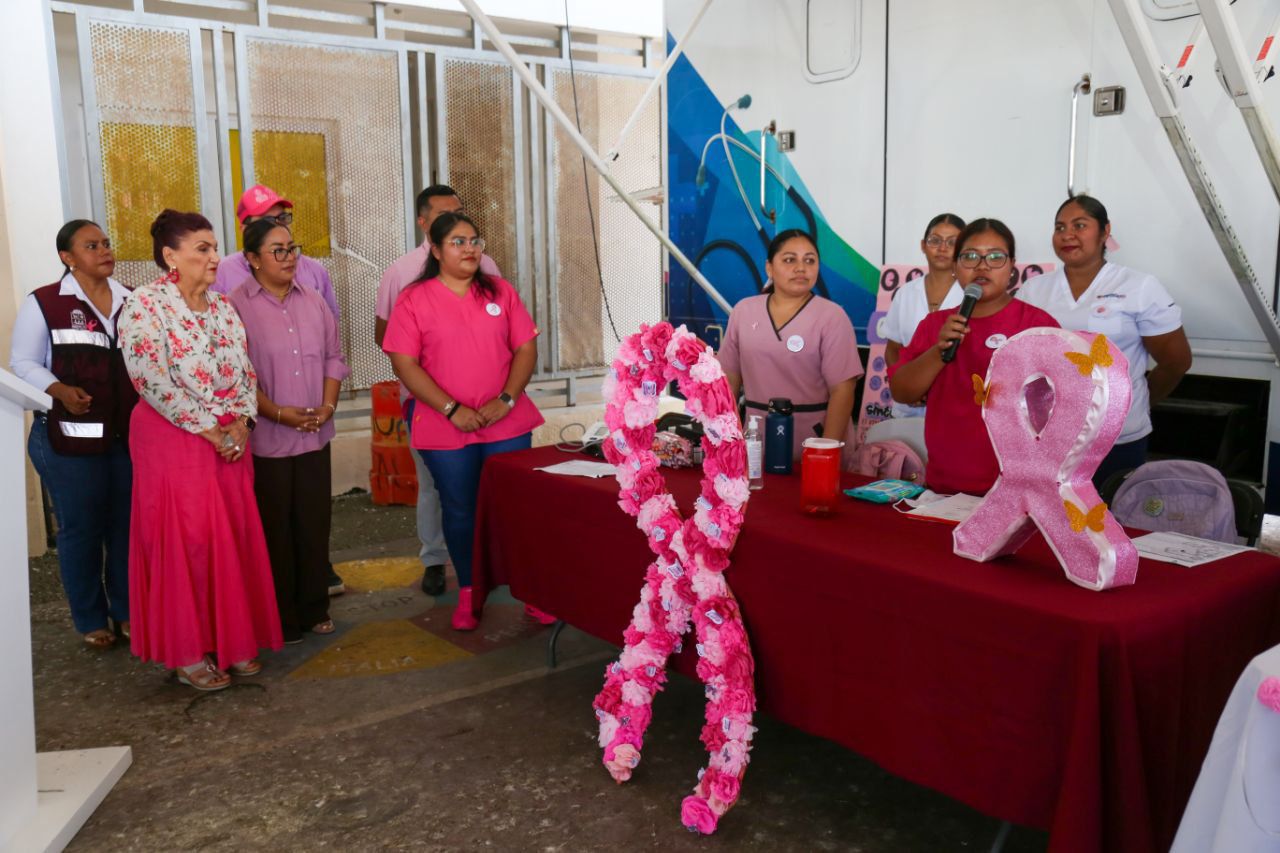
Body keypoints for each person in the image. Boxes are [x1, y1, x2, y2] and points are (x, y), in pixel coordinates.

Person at [118, 209, 282, 691]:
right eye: (203, 249)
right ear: (171, 256)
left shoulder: (223, 305)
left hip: (230, 440)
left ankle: (231, 642)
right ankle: (188, 652)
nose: (215, 257)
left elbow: (245, 370)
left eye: (214, 247)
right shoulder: (147, 305)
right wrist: (209, 429)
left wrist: (244, 424)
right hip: (174, 440)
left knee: (230, 537)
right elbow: (150, 378)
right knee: (186, 542)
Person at [382, 212, 544, 631]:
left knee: (516, 508)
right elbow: (405, 362)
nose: (470, 248)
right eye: (457, 241)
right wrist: (453, 409)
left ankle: (532, 591)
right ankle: (470, 593)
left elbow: (525, 349)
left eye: (475, 239)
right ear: (435, 250)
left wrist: (507, 399)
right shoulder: (414, 299)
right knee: (459, 509)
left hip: (505, 421)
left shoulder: (501, 292)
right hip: (445, 423)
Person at [212, 185, 346, 596]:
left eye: (285, 222)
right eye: (269, 227)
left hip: (313, 424)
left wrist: (326, 405)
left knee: (313, 518)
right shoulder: (230, 291)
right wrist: (275, 412)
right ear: (251, 249)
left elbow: (330, 351)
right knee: (273, 524)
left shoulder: (313, 281)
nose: (287, 254)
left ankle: (313, 597)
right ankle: (280, 610)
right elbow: (234, 369)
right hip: (265, 430)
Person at [10, 220, 137, 649]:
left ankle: (125, 611)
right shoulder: (44, 303)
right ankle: (90, 618)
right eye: (91, 245)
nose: (104, 250)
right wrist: (59, 390)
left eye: (106, 243)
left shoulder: (131, 302)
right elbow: (23, 364)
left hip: (122, 440)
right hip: (67, 441)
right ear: (67, 257)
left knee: (125, 527)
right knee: (81, 528)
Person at [375, 185, 501, 598]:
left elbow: (506, 329)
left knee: (485, 483)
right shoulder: (401, 272)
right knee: (435, 484)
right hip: (427, 404)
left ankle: (487, 560)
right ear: (423, 223)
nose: (456, 224)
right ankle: (434, 559)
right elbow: (387, 337)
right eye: (445, 217)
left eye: (460, 214)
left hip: (485, 404)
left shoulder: (486, 265)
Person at [1019, 195, 1192, 486]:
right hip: (1048, 436)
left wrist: (1134, 400)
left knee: (1108, 522)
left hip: (1117, 437)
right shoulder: (1033, 291)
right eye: (1060, 227)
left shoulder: (1139, 287)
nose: (1067, 235)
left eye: (1080, 225)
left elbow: (1176, 361)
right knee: (1053, 520)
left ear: (1105, 231)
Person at [888, 218, 1059, 495]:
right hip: (945, 483)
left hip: (1016, 487)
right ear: (955, 267)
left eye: (995, 257)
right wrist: (938, 352)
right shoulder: (936, 325)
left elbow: (1059, 406)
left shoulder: (1037, 325)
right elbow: (901, 391)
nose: (982, 266)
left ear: (1012, 266)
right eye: (970, 257)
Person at [718, 229, 864, 462]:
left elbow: (843, 391)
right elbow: (729, 381)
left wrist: (825, 451)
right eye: (789, 260)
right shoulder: (744, 311)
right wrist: (721, 438)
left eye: (809, 260)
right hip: (755, 439)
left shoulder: (832, 316)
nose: (801, 268)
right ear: (769, 268)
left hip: (812, 438)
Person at [882, 213, 966, 417]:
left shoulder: (971, 295)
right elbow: (893, 349)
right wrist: (907, 385)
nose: (942, 248)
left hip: (954, 406)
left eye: (952, 242)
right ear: (923, 245)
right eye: (935, 240)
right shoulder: (905, 293)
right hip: (909, 406)